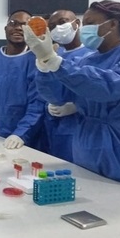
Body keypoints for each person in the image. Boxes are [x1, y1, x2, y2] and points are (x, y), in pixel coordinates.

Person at [23, 0, 120, 195]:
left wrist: (56, 62)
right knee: (92, 199)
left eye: (90, 23)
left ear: (113, 24)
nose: (85, 28)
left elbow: (109, 86)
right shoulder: (87, 59)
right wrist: (44, 65)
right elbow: (58, 96)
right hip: (86, 140)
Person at [0, 10, 46, 150]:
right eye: (13, 23)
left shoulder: (37, 61)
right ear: (6, 28)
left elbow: (38, 104)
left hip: (30, 137)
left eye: (25, 25)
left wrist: (21, 133)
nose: (18, 28)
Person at [37, 10, 93, 161]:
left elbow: (98, 90)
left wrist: (77, 106)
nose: (57, 28)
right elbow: (45, 86)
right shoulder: (54, 54)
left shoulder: (92, 55)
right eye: (52, 26)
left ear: (77, 23)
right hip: (54, 126)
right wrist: (48, 103)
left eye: (62, 22)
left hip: (81, 127)